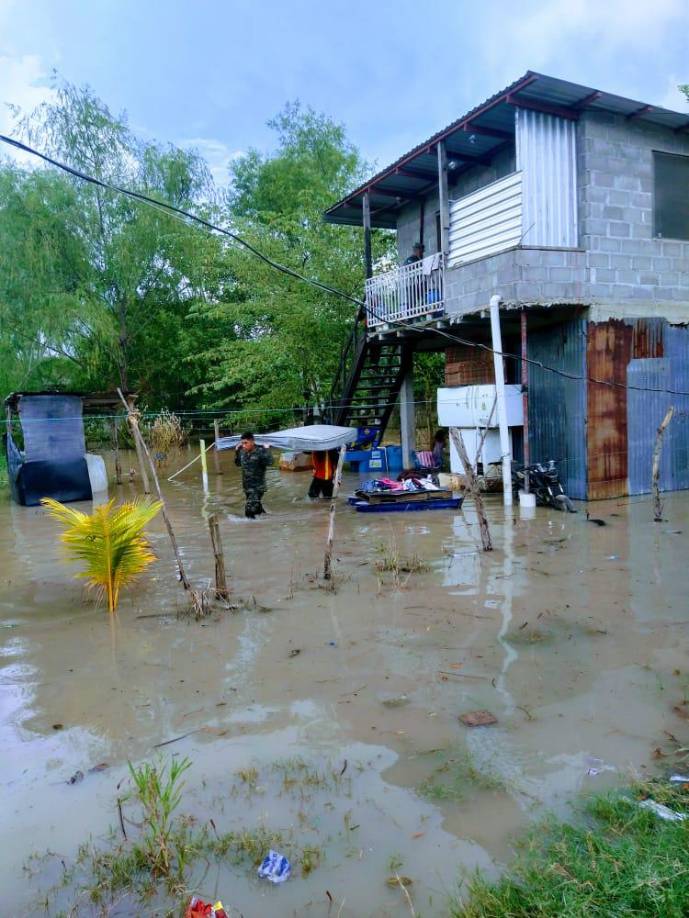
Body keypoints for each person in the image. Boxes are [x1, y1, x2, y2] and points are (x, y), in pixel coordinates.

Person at [234, 432, 272, 518]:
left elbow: (270, 462)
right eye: (242, 443)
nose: (243, 445)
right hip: (247, 487)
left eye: (245, 443)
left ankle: (250, 529)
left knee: (249, 511)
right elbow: (238, 464)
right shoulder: (242, 452)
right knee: (256, 508)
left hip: (257, 488)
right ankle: (264, 521)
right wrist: (236, 452)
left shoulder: (261, 451)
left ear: (252, 442)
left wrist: (267, 450)